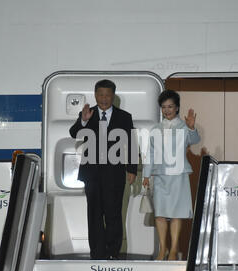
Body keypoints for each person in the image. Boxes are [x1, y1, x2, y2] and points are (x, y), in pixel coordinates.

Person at [69, 79, 137, 260]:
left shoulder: (124, 117)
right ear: (95, 95)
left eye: (108, 95)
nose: (104, 98)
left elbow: (131, 144)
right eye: (101, 94)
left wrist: (132, 169)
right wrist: (83, 121)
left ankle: (113, 252)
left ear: (113, 96)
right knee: (95, 215)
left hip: (115, 174)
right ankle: (97, 254)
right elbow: (74, 133)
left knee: (114, 214)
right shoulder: (87, 113)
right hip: (92, 174)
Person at [142, 89, 200, 261]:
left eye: (170, 107)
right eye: (163, 107)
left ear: (177, 108)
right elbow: (150, 153)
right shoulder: (156, 129)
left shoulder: (184, 126)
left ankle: (174, 249)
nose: (167, 110)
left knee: (176, 213)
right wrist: (146, 174)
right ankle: (163, 249)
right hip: (159, 175)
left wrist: (191, 127)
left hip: (178, 174)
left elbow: (194, 140)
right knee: (160, 213)